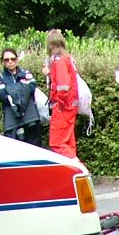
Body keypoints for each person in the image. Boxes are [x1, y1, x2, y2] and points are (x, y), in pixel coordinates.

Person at [0, 48, 42, 145]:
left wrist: (10, 89)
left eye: (13, 59)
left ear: (17, 60)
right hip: (12, 122)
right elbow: (2, 95)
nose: (10, 62)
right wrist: (22, 88)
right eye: (7, 60)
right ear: (2, 62)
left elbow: (32, 87)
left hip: (31, 119)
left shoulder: (26, 73)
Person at [44, 29, 79, 159]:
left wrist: (59, 103)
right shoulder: (67, 58)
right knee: (68, 142)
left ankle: (79, 169)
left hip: (63, 106)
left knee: (57, 142)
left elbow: (63, 86)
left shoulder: (58, 61)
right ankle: (74, 174)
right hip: (71, 105)